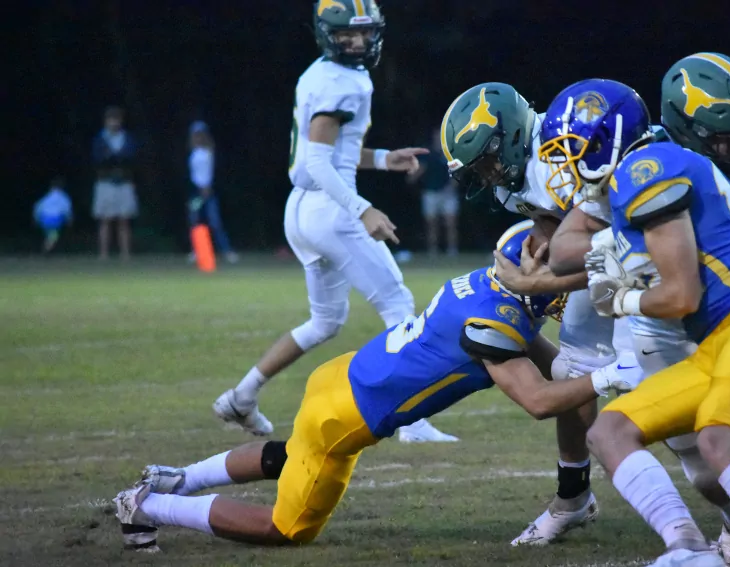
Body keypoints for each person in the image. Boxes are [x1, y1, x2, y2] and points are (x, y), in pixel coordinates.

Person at [113, 221, 640, 551]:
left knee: (294, 451)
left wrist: (601, 370)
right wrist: (612, 373)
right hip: (346, 418)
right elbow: (539, 400)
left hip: (342, 376)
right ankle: (148, 506)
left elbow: (553, 366)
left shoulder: (487, 287)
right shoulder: (494, 323)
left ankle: (179, 478)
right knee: (288, 528)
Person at [534, 76, 730, 567]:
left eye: (575, 149)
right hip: (701, 334)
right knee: (629, 437)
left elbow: (694, 291)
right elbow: (563, 253)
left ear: (611, 141)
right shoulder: (631, 174)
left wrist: (623, 294)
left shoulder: (649, 168)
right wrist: (616, 246)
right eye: (724, 135)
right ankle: (694, 547)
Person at [212, 0, 456, 443]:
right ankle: (412, 422)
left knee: (325, 322)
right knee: (398, 304)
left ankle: (241, 397)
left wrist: (383, 158)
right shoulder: (341, 83)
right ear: (328, 34)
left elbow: (330, 152)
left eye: (364, 32)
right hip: (330, 209)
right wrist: (363, 209)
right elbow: (319, 163)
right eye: (347, 34)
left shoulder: (320, 74)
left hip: (301, 209)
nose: (357, 41)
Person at [439, 82, 644, 545]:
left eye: (487, 162)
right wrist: (544, 256)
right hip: (609, 266)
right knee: (570, 370)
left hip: (647, 266)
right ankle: (573, 497)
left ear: (510, 136)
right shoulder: (517, 179)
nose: (488, 176)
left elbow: (621, 253)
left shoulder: (561, 157)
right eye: (478, 170)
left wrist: (542, 283)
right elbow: (562, 235)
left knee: (657, 385)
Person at [186, 121, 238, 264]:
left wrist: (207, 187)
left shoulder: (209, 152)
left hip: (208, 192)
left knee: (215, 222)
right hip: (196, 193)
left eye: (200, 135)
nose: (198, 137)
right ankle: (197, 251)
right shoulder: (193, 153)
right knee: (195, 221)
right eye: (195, 135)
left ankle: (226, 250)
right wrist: (198, 188)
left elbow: (208, 172)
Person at [92, 106, 137, 260]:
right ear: (106, 121)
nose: (114, 123)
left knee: (124, 219)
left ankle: (125, 254)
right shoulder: (100, 139)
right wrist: (112, 158)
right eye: (111, 120)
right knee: (105, 219)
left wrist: (116, 157)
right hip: (105, 181)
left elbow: (132, 156)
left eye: (116, 119)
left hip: (124, 181)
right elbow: (97, 158)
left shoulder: (127, 138)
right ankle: (103, 254)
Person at [406, 127, 460, 257]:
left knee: (451, 223)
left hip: (447, 194)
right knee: (431, 224)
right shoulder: (428, 154)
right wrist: (412, 176)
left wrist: (453, 186)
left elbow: (457, 173)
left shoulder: (450, 153)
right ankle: (433, 250)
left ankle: (452, 250)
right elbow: (419, 170)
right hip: (430, 193)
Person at [33, 176, 73, 253]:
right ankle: (45, 250)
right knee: (53, 237)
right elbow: (67, 210)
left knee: (50, 235)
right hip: (55, 220)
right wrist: (69, 220)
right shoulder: (63, 197)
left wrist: (36, 219)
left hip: (44, 219)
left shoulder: (46, 197)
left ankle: (46, 249)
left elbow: (37, 207)